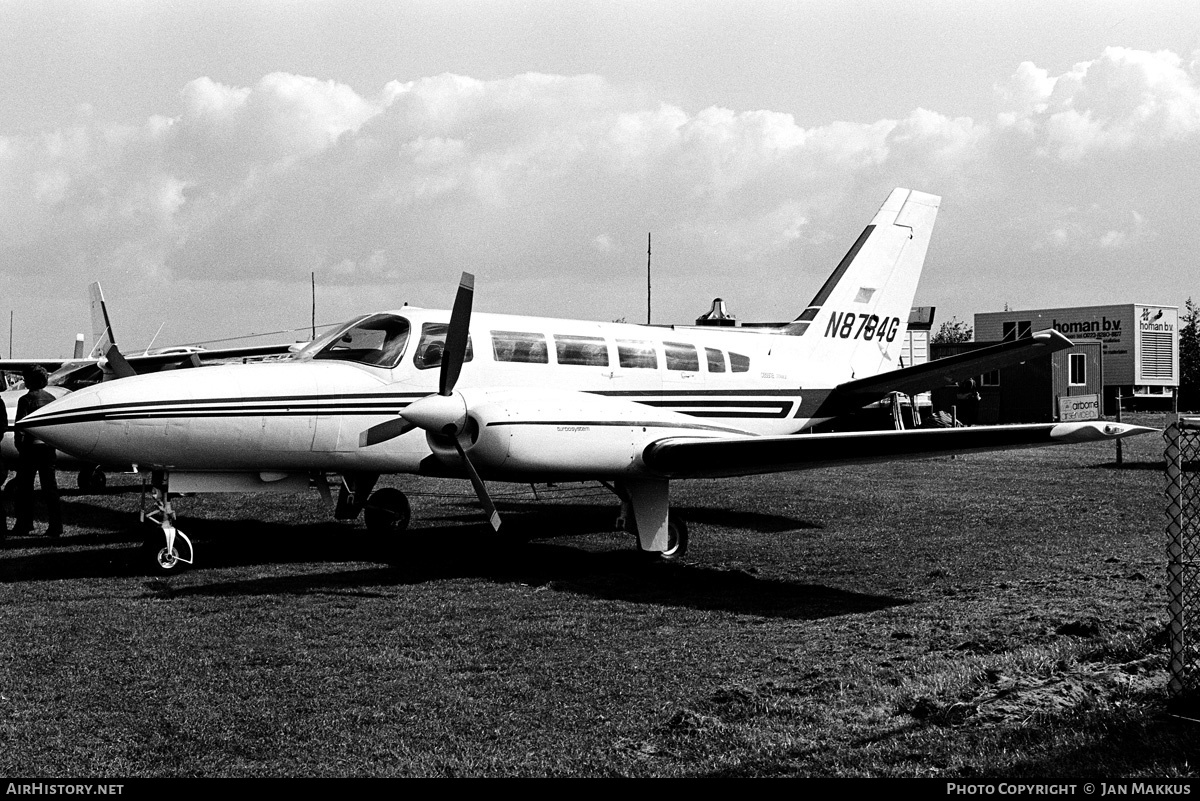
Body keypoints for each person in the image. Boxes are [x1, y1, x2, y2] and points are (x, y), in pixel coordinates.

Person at [12, 365, 62, 538]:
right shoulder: (52, 398)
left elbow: (21, 427)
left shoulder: (25, 400)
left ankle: (24, 524)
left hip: (30, 449)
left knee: (25, 489)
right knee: (50, 488)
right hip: (47, 449)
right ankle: (56, 525)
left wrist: (20, 446)